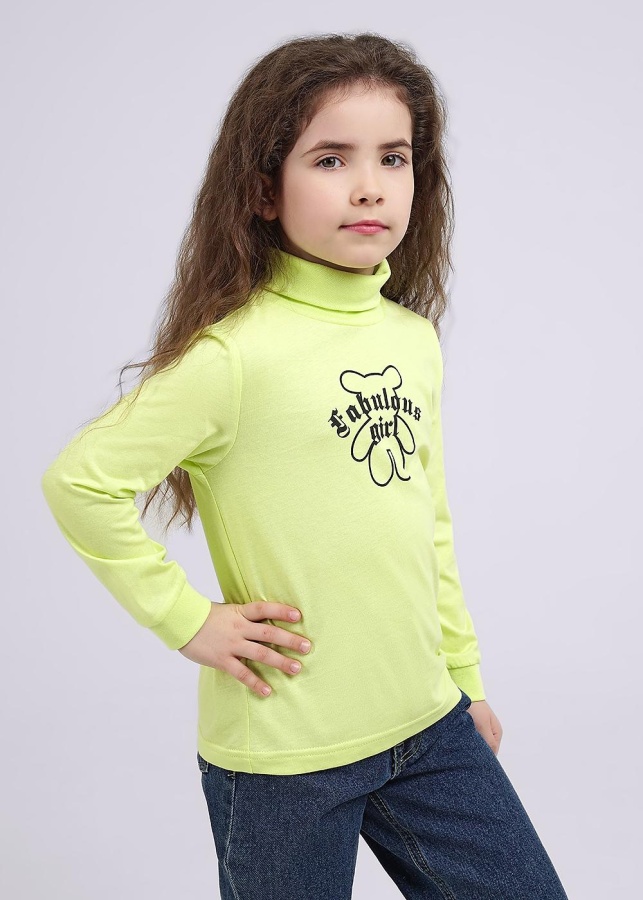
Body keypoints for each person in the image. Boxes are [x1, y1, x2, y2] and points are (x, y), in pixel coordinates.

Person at [41, 31, 569, 900]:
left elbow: (427, 522)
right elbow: (79, 481)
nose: (369, 185)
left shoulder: (409, 339)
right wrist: (186, 620)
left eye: (392, 157)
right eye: (330, 158)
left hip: (427, 725)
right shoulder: (233, 357)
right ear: (262, 189)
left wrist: (464, 680)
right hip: (286, 755)